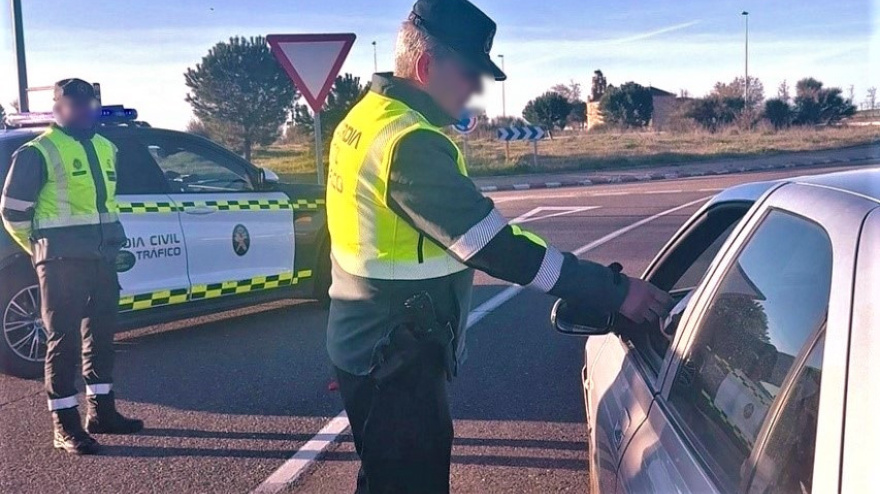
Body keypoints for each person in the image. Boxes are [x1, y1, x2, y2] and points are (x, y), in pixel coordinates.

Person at [325, 0, 672, 491]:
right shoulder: (411, 143)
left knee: (384, 478)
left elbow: (339, 234)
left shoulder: (364, 118)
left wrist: (347, 340)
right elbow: (496, 248)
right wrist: (614, 291)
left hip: (370, 346)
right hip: (395, 356)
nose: (477, 89)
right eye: (469, 73)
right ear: (425, 67)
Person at [0, 79, 143, 455]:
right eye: (74, 105)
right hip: (61, 263)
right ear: (57, 108)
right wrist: (40, 250)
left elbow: (105, 204)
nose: (83, 111)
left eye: (88, 104)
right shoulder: (38, 151)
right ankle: (65, 427)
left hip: (102, 258)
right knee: (63, 343)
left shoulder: (105, 147)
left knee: (101, 335)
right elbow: (12, 212)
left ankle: (102, 412)